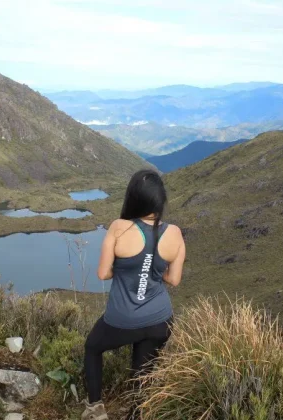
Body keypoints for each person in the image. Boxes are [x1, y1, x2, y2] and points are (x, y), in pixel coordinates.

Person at [81, 169, 186, 420]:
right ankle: (137, 414)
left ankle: (95, 409)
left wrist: (129, 268)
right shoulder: (175, 233)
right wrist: (150, 269)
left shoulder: (119, 228)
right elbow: (174, 279)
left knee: (93, 348)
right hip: (160, 320)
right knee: (142, 372)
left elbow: (103, 273)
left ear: (133, 198)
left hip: (123, 319)